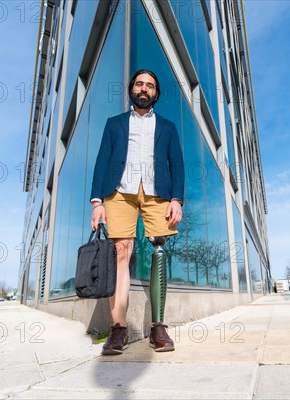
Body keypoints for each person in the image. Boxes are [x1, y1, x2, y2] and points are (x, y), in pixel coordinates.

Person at [90, 69, 184, 355]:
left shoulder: (167, 127)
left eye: (150, 86)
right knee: (121, 252)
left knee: (158, 252)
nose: (144, 89)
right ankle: (119, 330)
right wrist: (97, 203)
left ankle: (158, 327)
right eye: (140, 84)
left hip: (158, 193)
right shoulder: (114, 124)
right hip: (119, 193)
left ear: (156, 93)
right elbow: (102, 160)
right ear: (132, 89)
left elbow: (177, 164)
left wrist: (177, 199)